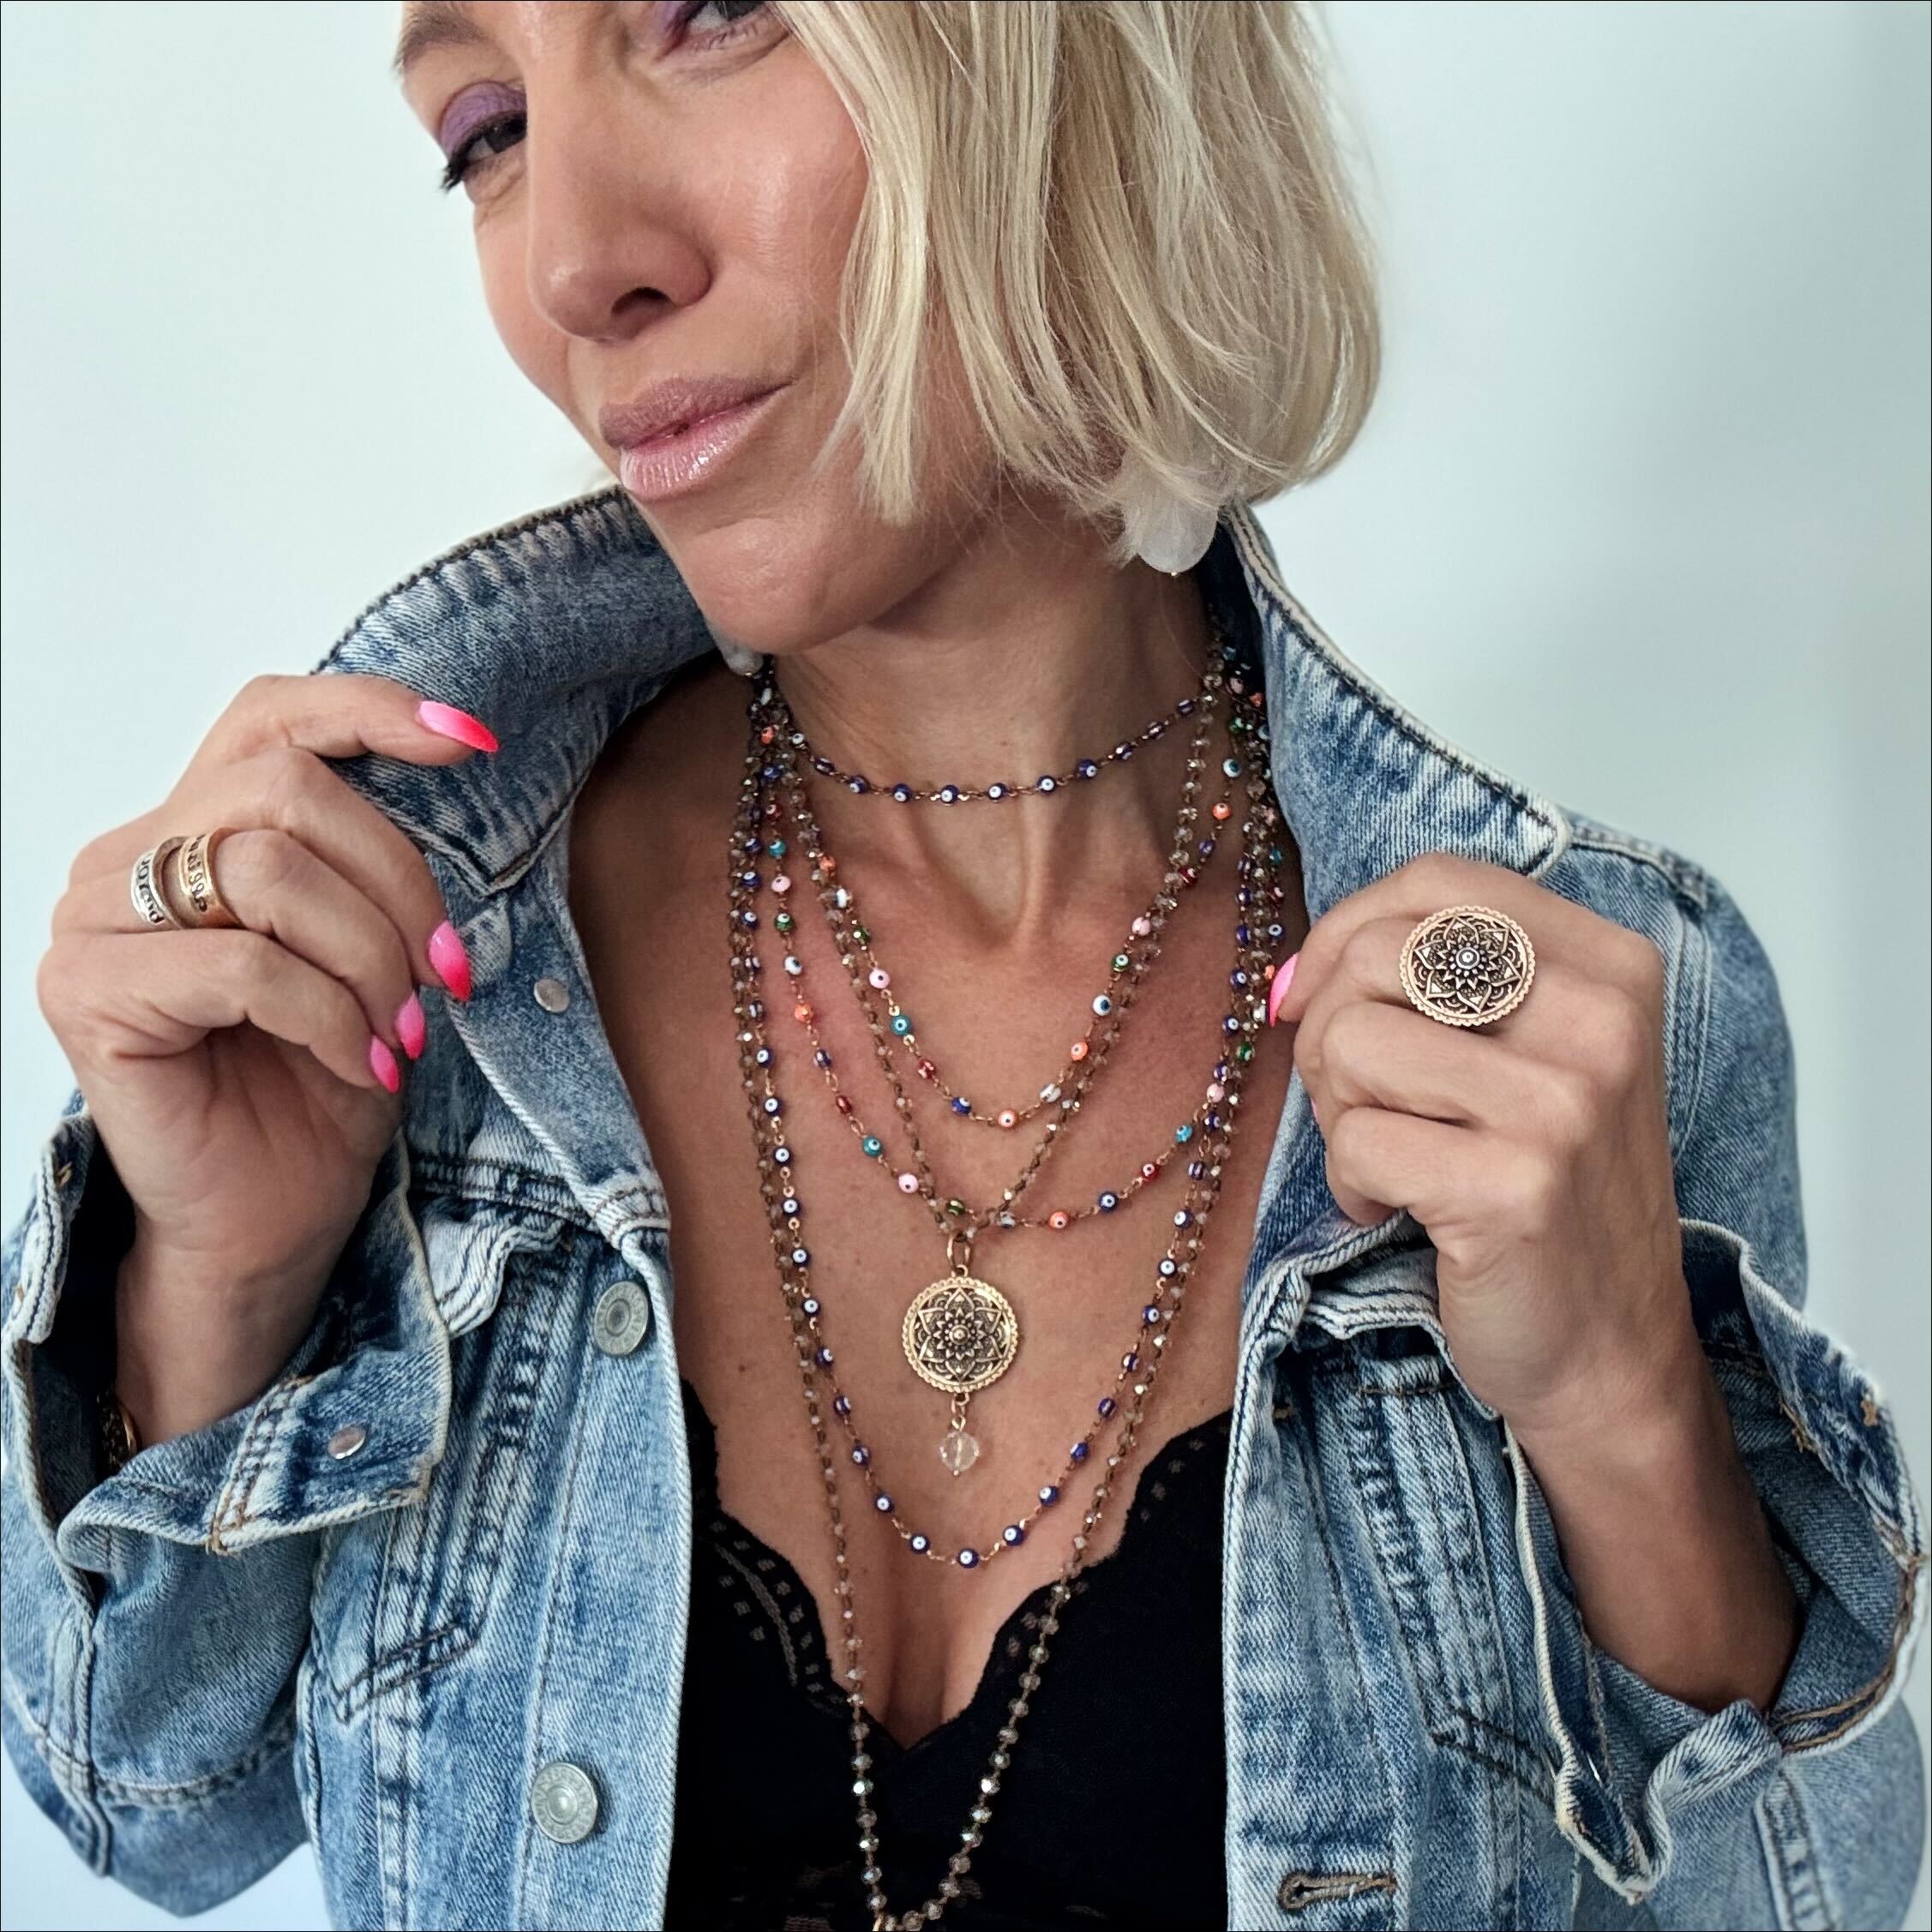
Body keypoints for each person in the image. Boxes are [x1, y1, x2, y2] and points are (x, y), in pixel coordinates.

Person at [3, 3, 1923, 1928]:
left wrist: (1620, 1411)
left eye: (709, 18)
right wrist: (222, 1279)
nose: (580, 263)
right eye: (486, 130)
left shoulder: (1565, 1011)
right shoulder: (418, 974)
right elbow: (151, 1808)